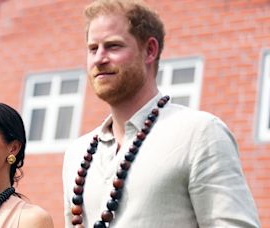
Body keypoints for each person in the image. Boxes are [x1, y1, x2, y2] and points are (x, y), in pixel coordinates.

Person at [62, 0, 260, 227]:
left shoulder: (199, 134)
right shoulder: (76, 154)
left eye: (113, 46)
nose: (99, 58)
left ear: (150, 50)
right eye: (92, 48)